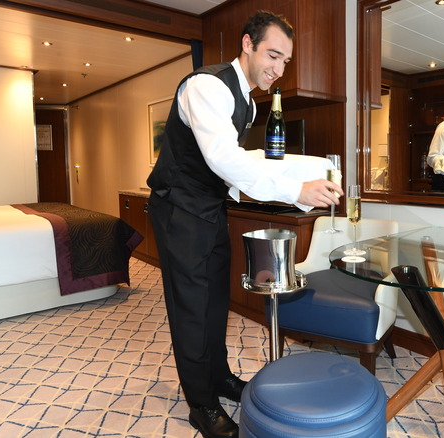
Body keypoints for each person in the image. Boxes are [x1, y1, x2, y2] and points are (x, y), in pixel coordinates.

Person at [146, 11, 342, 438]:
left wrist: (295, 180)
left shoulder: (249, 101)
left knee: (216, 298)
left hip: (211, 207)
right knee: (192, 308)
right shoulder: (207, 85)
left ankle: (217, 377)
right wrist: (295, 191)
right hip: (179, 207)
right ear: (247, 44)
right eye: (273, 54)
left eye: (286, 61)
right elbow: (223, 159)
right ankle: (201, 403)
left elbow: (238, 166)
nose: (279, 67)